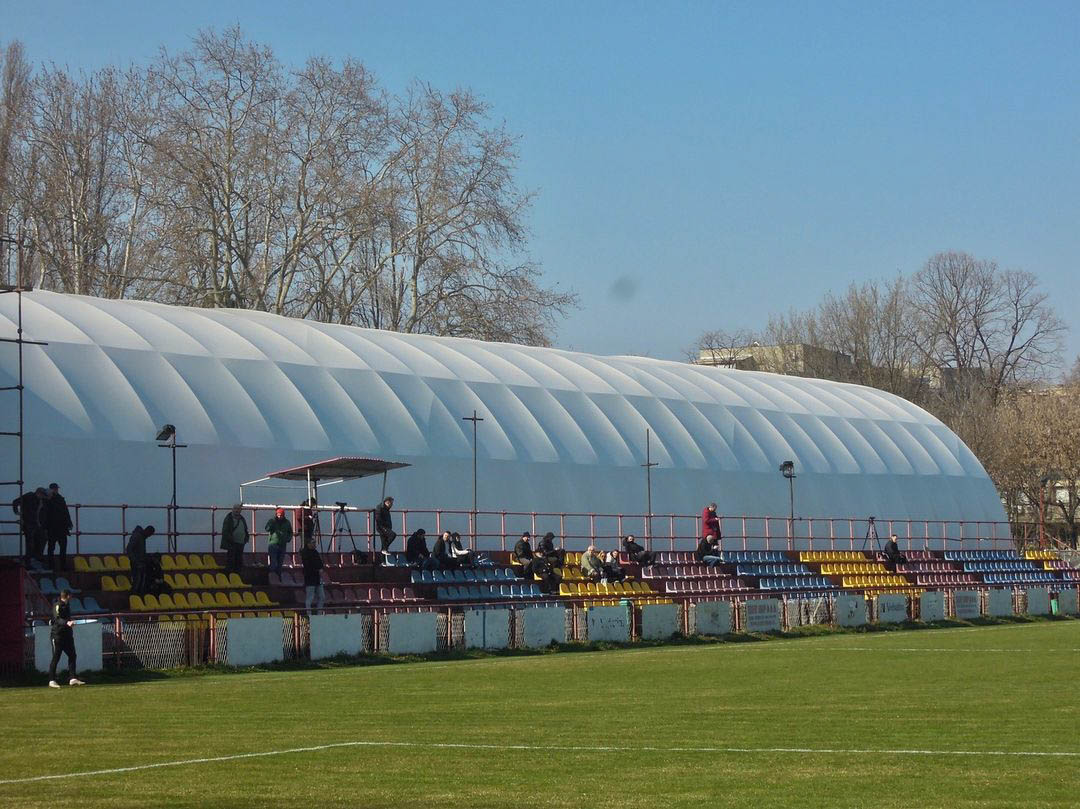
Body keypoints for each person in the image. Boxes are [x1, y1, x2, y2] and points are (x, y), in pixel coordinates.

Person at [48, 590, 84, 688]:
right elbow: (57, 618)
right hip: (57, 636)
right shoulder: (57, 605)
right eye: (70, 596)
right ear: (68, 596)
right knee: (56, 657)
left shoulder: (67, 605)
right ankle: (52, 680)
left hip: (67, 635)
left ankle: (72, 678)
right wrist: (67, 623)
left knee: (72, 655)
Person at [44, 483, 73, 571]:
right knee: (52, 547)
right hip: (53, 527)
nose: (56, 490)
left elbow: (65, 511)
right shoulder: (48, 499)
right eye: (55, 489)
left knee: (60, 547)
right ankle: (53, 566)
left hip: (59, 527)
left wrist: (69, 523)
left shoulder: (60, 499)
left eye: (56, 489)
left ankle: (60, 566)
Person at [125, 524, 156, 595]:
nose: (149, 536)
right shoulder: (137, 536)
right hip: (136, 563)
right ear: (147, 532)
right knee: (137, 581)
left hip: (140, 562)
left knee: (140, 582)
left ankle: (137, 595)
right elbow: (129, 549)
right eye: (150, 534)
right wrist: (135, 561)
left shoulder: (142, 537)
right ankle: (133, 596)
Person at [221, 504, 249, 575]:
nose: (237, 510)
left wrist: (246, 538)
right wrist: (231, 540)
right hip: (232, 544)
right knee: (231, 561)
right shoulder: (229, 519)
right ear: (232, 509)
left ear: (240, 510)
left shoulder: (242, 519)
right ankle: (229, 577)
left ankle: (237, 576)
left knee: (239, 561)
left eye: (238, 509)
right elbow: (225, 531)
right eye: (235, 509)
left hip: (241, 543)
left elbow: (245, 529)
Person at [265, 507, 292, 578]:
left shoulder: (287, 522)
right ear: (276, 514)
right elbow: (267, 529)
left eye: (281, 515)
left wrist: (288, 539)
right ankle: (272, 577)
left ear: (284, 515)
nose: (279, 517)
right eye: (278, 515)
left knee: (280, 563)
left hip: (282, 545)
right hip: (273, 544)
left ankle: (278, 577)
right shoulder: (272, 521)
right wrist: (271, 523)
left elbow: (290, 532)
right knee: (273, 562)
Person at [301, 536, 325, 612]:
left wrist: (320, 568)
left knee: (322, 597)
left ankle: (319, 614)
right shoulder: (305, 553)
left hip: (317, 578)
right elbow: (308, 565)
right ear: (308, 544)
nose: (315, 544)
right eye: (313, 542)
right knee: (310, 598)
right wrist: (317, 569)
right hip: (310, 578)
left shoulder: (315, 552)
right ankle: (309, 614)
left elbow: (320, 563)